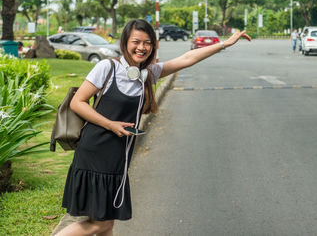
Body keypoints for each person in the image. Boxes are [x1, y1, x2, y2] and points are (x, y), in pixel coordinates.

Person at [55, 19, 251, 236]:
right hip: (96, 152)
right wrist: (110, 125)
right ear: (124, 43)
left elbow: (188, 58)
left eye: (148, 42)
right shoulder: (107, 67)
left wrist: (225, 43)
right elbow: (77, 102)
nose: (142, 47)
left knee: (107, 225)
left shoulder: (147, 74)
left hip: (118, 156)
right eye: (136, 41)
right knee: (100, 224)